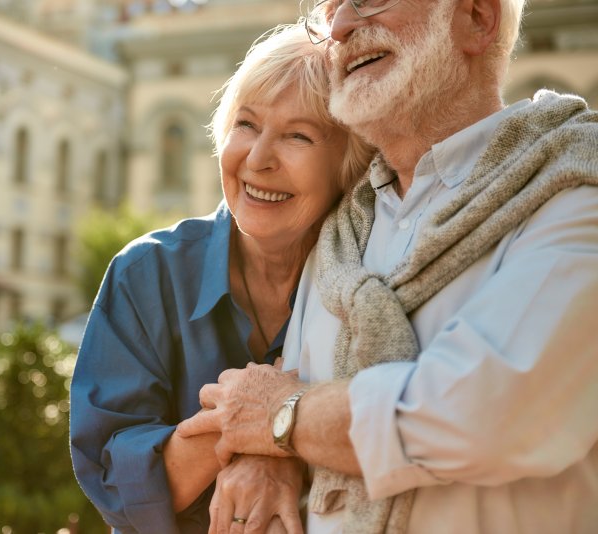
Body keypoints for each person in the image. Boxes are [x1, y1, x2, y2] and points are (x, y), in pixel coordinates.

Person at [178, 0, 598, 532]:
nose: (342, 25)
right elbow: (289, 388)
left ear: (475, 18)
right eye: (331, 8)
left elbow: (479, 415)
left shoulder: (577, 189)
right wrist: (268, 455)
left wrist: (282, 421)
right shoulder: (338, 231)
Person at [69, 23, 374, 534]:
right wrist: (264, 430)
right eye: (246, 125)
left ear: (349, 164)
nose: (257, 160)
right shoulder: (146, 274)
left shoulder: (371, 273)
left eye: (298, 135)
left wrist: (275, 429)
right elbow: (117, 485)